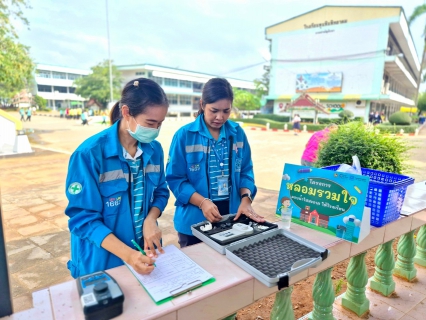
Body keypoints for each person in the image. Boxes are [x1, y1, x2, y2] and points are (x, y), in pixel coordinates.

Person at [65, 78, 170, 278]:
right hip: (103, 260)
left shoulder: (154, 150)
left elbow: (161, 191)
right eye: (150, 123)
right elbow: (83, 219)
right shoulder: (89, 155)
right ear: (126, 112)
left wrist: (151, 218)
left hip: (144, 253)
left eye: (160, 123)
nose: (155, 130)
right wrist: (128, 256)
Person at [166, 78, 265, 248]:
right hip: (193, 221)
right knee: (198, 270)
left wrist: (246, 199)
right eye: (214, 110)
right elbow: (176, 179)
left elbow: (246, 171)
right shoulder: (184, 136)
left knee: (230, 270)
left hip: (232, 217)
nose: (220, 117)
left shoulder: (237, 133)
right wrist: (202, 202)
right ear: (202, 104)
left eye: (226, 111)